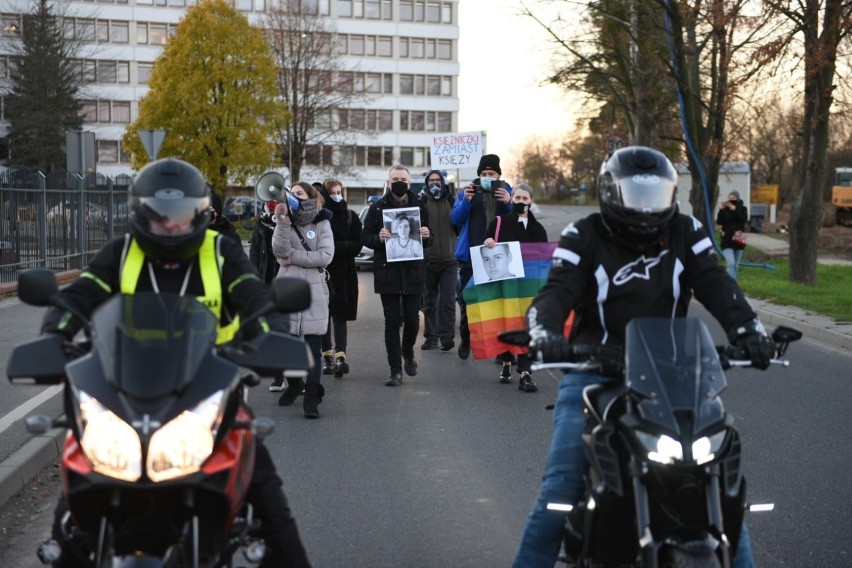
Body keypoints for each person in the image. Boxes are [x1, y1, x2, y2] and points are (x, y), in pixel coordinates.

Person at [39, 158, 311, 567]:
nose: (171, 225)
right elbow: (76, 299)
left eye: (182, 216)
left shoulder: (221, 252)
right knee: (74, 510)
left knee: (268, 501)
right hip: (122, 394)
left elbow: (257, 299)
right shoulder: (121, 252)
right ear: (141, 214)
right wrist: (53, 339)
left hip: (208, 391)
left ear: (201, 213)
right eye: (160, 216)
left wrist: (272, 338)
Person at [514, 147, 774, 568]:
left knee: (722, 492)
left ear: (670, 194)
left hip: (670, 376)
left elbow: (716, 283)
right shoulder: (584, 235)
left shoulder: (686, 231)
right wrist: (544, 334)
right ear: (610, 193)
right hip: (592, 373)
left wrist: (749, 331)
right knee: (557, 496)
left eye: (653, 195)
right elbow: (555, 294)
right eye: (635, 194)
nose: (645, 205)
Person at [361, 164, 431, 386]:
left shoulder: (420, 206)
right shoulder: (377, 208)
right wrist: (378, 238)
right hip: (387, 272)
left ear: (409, 182)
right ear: (388, 183)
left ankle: (407, 351)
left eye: (403, 178)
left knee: (412, 319)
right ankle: (395, 370)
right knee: (391, 322)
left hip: (412, 271)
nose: (399, 182)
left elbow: (429, 240)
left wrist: (427, 235)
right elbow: (365, 236)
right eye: (395, 179)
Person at [272, 182, 334, 418]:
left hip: (313, 291)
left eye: (299, 193)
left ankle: (311, 398)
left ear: (310, 197)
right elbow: (279, 251)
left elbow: (325, 256)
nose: (294, 197)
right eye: (292, 193)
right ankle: (295, 384)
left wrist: (294, 257)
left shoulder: (322, 223)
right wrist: (282, 222)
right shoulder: (284, 219)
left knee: (313, 347)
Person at [483, 183, 548, 390]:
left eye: (525, 199)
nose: (521, 202)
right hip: (506, 284)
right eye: (517, 198)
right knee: (507, 323)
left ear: (531, 201)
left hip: (528, 286)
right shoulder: (499, 222)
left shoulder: (539, 229)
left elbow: (544, 258)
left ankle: (526, 372)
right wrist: (488, 242)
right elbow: (486, 243)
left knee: (526, 326)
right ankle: (506, 361)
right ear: (511, 199)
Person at [451, 154, 513, 360]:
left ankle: (501, 349)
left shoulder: (506, 190)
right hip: (471, 256)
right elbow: (455, 219)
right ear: (479, 175)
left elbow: (520, 218)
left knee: (500, 303)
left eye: (492, 174)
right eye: (484, 174)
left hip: (499, 255)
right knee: (469, 301)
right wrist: (466, 201)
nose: (488, 177)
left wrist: (510, 203)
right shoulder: (468, 191)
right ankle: (466, 338)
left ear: (498, 175)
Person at [319, 178, 362, 378]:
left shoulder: (351, 216)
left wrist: (336, 247)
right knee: (324, 316)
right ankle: (327, 356)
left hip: (345, 273)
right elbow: (321, 245)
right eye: (333, 192)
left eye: (339, 191)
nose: (337, 195)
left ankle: (341, 356)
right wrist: (341, 246)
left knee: (340, 315)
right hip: (324, 272)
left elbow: (357, 245)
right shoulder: (321, 217)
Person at [249, 200, 290, 393]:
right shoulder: (260, 225)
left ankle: (298, 376)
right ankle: (278, 375)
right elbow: (254, 255)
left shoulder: (289, 220)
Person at [418, 169, 458, 352]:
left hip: (450, 259)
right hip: (428, 259)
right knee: (429, 301)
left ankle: (447, 337)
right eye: (431, 180)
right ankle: (431, 337)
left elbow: (459, 223)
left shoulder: (452, 200)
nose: (435, 183)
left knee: (448, 299)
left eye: (438, 180)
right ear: (426, 183)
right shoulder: (421, 202)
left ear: (443, 182)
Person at [716, 189, 749, 280]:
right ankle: (732, 285)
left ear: (737, 199)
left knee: (736, 264)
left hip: (739, 240)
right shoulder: (725, 210)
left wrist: (735, 210)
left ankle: (731, 284)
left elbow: (743, 220)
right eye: (729, 197)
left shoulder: (743, 209)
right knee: (731, 263)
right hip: (727, 240)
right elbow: (719, 221)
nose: (731, 199)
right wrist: (721, 210)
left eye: (733, 198)